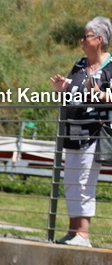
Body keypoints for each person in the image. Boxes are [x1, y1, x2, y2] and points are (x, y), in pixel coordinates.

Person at [49, 16, 112, 247]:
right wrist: (62, 88)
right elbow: (72, 92)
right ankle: (72, 231)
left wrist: (102, 95)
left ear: (99, 39)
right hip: (73, 131)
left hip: (94, 132)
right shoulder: (79, 64)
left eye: (86, 36)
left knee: (85, 180)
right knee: (72, 180)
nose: (82, 40)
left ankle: (83, 235)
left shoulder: (111, 67)